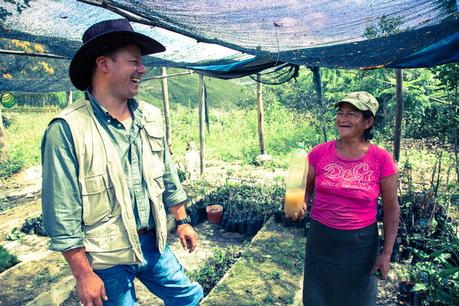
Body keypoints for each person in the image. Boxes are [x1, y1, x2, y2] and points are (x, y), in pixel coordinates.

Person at [41, 19, 203, 306]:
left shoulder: (149, 117)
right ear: (104, 64)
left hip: (154, 244)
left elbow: (167, 175)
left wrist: (182, 220)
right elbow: (62, 213)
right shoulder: (67, 129)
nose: (142, 69)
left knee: (188, 298)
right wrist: (82, 275)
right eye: (134, 61)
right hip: (105, 258)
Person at [291, 92, 400, 306]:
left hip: (361, 244)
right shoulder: (319, 153)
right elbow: (307, 189)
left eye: (352, 114)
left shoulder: (382, 159)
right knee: (318, 297)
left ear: (368, 122)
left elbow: (391, 209)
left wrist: (386, 253)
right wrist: (301, 204)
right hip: (321, 240)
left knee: (357, 298)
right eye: (340, 113)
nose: (343, 118)